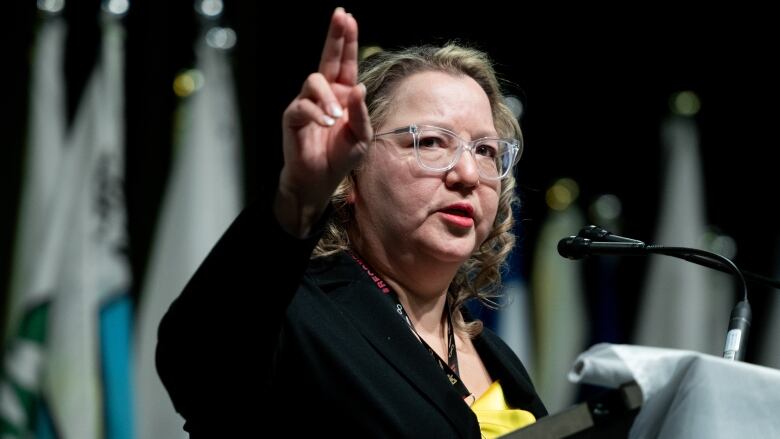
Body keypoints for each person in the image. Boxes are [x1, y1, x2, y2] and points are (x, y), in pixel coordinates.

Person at [156, 7, 547, 437]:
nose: (468, 175)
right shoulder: (294, 316)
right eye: (432, 142)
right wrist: (300, 196)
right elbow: (196, 364)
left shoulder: (496, 356)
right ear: (352, 170)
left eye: (486, 151)